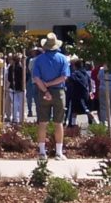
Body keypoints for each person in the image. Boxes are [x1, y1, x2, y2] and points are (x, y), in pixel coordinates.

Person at [32, 33, 70, 161]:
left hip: (43, 92)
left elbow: (36, 78)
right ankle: (59, 152)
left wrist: (45, 89)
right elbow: (64, 77)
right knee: (58, 122)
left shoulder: (39, 60)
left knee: (43, 122)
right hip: (59, 92)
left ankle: (42, 152)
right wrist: (51, 84)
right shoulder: (63, 59)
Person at [65, 57, 96, 127]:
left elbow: (68, 80)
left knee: (82, 111)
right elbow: (89, 83)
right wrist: (90, 91)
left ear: (75, 66)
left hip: (76, 96)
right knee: (78, 111)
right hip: (85, 94)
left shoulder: (75, 74)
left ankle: (96, 123)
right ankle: (73, 125)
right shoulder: (85, 74)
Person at [6, 54, 25, 125]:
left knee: (15, 104)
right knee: (20, 104)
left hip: (13, 87)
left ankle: (15, 119)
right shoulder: (22, 67)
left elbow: (9, 78)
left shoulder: (11, 67)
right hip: (20, 88)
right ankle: (21, 118)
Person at [25, 47, 42, 118]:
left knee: (34, 97)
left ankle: (34, 112)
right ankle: (32, 111)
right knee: (32, 97)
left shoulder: (31, 60)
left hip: (33, 80)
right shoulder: (29, 59)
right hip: (36, 80)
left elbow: (29, 69)